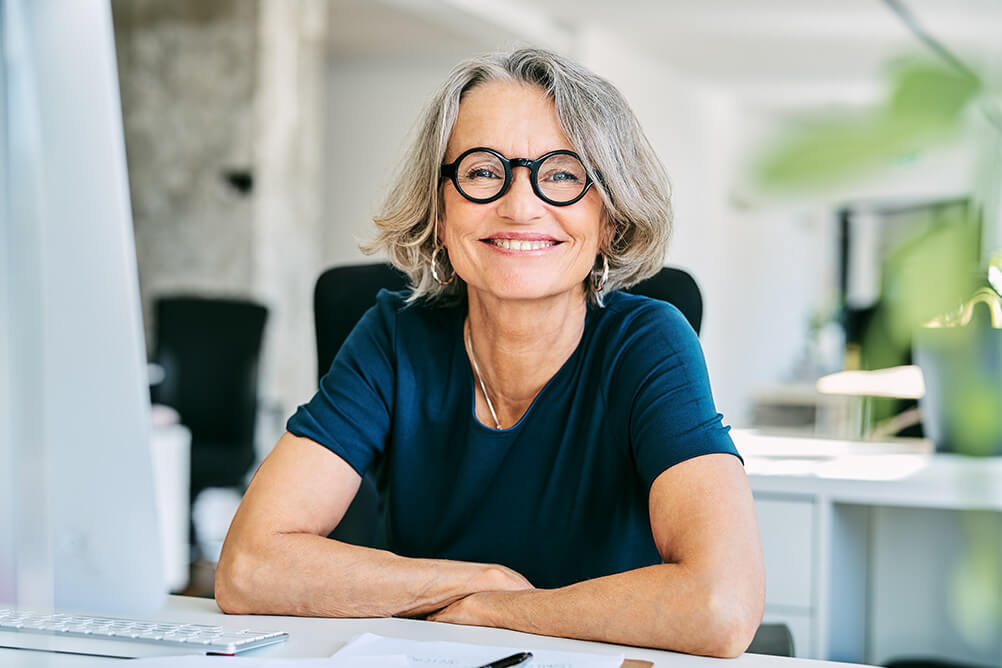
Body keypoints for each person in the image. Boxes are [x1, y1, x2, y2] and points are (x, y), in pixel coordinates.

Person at [216, 48, 765, 658]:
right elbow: (248, 566)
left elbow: (722, 606)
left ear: (609, 217)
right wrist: (475, 581)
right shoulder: (395, 335)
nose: (520, 206)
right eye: (481, 172)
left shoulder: (648, 342)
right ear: (440, 209)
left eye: (562, 174)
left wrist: (501, 613)